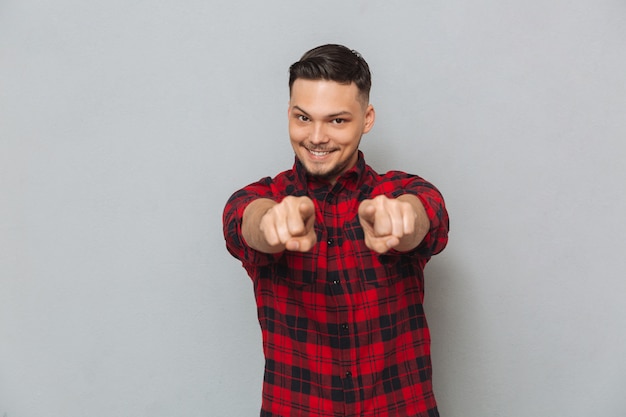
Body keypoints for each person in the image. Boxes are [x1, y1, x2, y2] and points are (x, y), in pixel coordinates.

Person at [223, 44, 449, 417]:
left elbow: (428, 218)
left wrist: (403, 220)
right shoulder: (262, 197)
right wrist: (270, 222)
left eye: (337, 120)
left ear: (367, 118)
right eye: (303, 118)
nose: (316, 137)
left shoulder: (402, 192)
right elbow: (245, 223)